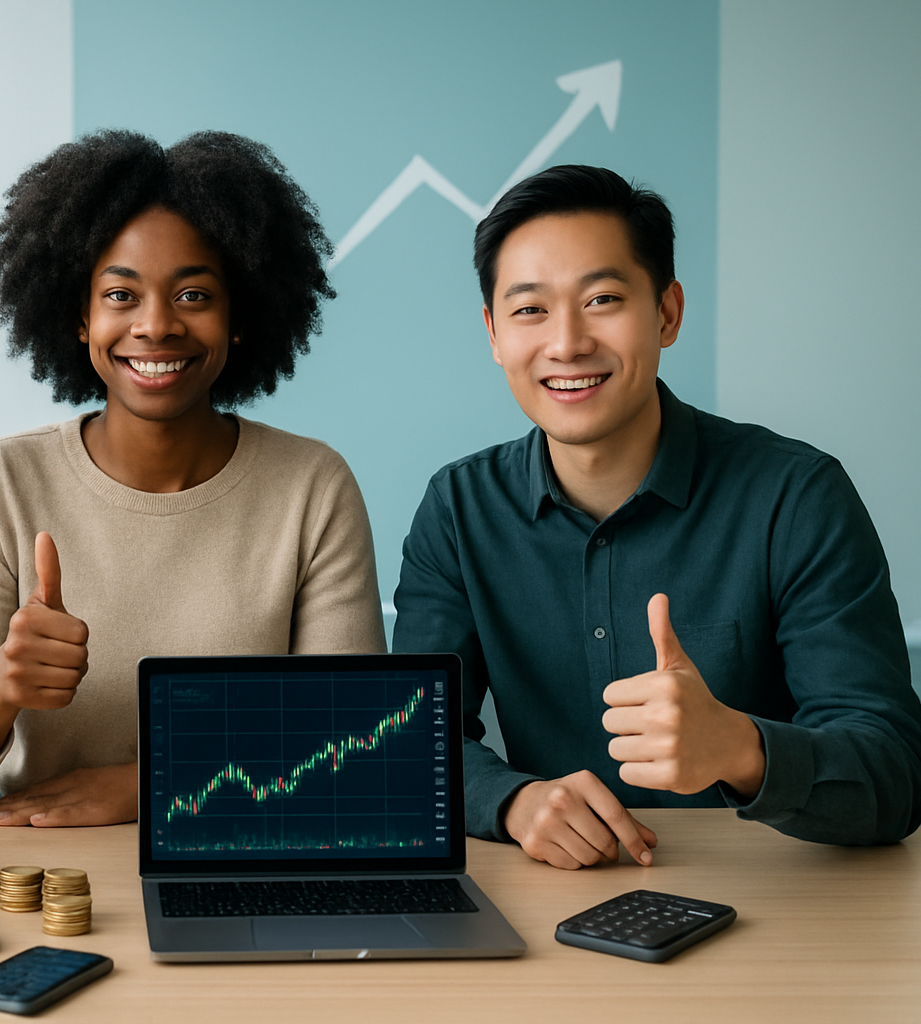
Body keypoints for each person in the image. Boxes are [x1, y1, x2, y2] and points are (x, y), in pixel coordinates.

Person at [393, 164, 921, 868]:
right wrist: (512, 801)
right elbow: (413, 740)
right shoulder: (459, 510)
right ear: (493, 333)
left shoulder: (797, 496)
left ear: (667, 313)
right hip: (558, 905)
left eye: (603, 298)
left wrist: (739, 748)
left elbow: (896, 772)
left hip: (777, 908)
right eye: (530, 310)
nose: (568, 343)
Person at [0, 130, 385, 826]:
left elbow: (354, 748)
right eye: (120, 295)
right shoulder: (3, 483)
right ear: (80, 317)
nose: (156, 326)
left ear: (240, 318)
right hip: (50, 868)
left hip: (244, 857)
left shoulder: (311, 487)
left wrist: (149, 786)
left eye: (194, 294)